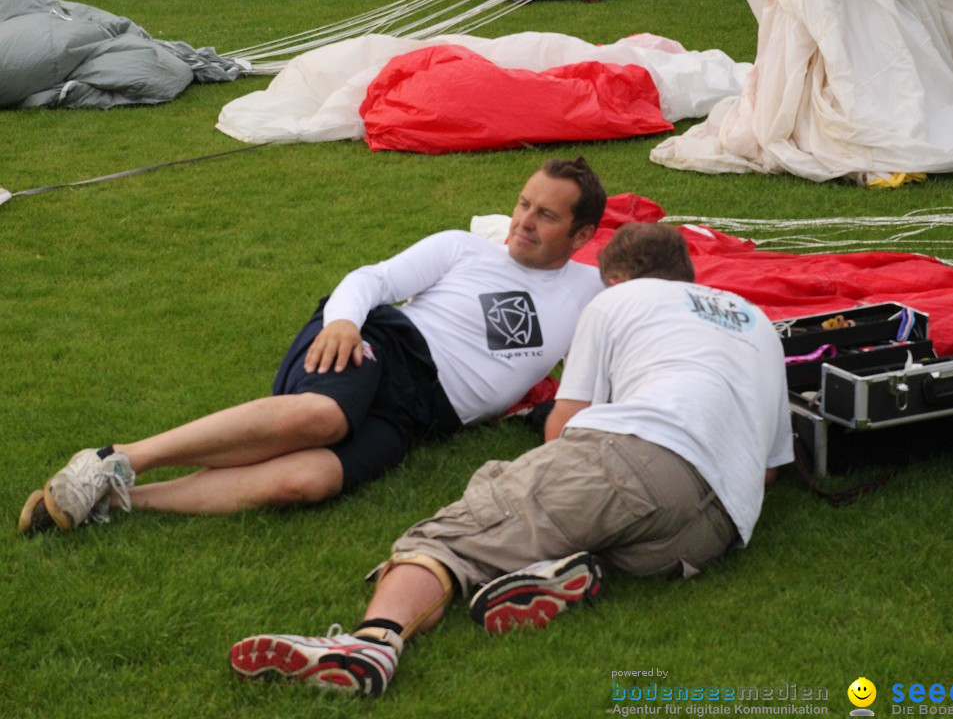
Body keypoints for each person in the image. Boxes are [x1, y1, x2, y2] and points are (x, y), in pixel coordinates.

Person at [227, 222, 794, 697]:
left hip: (637, 459)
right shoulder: (759, 324)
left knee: (456, 532)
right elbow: (770, 468)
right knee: (591, 515)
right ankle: (559, 571)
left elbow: (565, 424)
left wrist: (538, 482)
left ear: (615, 277)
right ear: (688, 274)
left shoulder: (616, 300)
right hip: (712, 530)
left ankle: (372, 643)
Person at [18, 156, 607, 535]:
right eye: (523, 203)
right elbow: (370, 280)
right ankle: (116, 458)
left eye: (546, 215)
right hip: (383, 343)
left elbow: (657, 306)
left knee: (305, 483)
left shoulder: (591, 292)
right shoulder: (464, 248)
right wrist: (344, 322)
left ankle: (119, 502)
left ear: (581, 235)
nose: (524, 220)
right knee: (321, 415)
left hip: (425, 414)